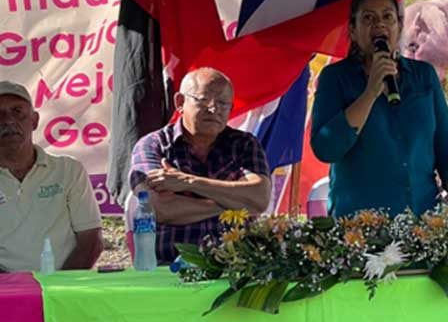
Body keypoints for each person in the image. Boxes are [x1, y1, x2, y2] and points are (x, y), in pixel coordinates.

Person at [311, 0, 448, 217]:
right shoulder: (335, 78)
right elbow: (326, 148)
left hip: (422, 220)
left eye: (387, 17)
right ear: (353, 31)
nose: (380, 24)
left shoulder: (423, 75)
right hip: (361, 225)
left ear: (399, 27)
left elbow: (445, 145)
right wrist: (370, 92)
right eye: (368, 18)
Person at [128, 68, 270, 263]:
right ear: (180, 102)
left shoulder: (244, 144)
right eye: (203, 100)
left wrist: (188, 182)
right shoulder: (154, 145)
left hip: (238, 265)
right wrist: (232, 206)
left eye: (222, 103)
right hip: (170, 265)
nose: (213, 109)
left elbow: (259, 199)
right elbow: (158, 208)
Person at [0, 81, 103, 271]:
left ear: (34, 120)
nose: (7, 120)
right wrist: (12, 288)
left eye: (17, 111)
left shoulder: (69, 170)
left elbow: (90, 239)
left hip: (63, 289)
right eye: (0, 114)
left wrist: (59, 287)